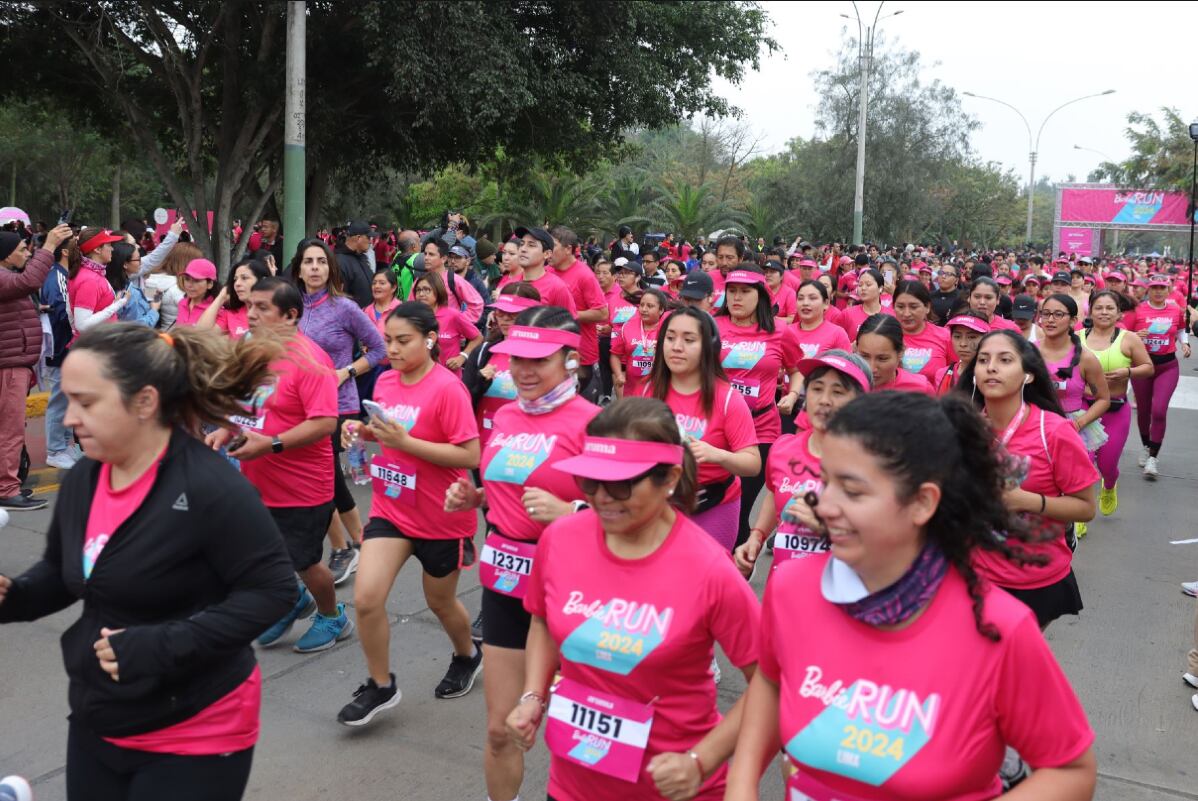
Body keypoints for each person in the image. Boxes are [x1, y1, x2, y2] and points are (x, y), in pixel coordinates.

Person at [725, 391, 1097, 801]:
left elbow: (1069, 771)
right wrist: (741, 786)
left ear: (922, 502)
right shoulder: (792, 587)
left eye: (852, 490)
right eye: (824, 480)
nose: (822, 505)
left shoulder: (998, 628)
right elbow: (772, 680)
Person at [0, 322, 298, 801]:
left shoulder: (210, 488)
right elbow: (63, 574)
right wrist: (12, 597)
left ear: (144, 402)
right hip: (100, 718)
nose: (69, 418)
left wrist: (162, 645)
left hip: (197, 730)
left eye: (87, 402)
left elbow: (274, 592)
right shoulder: (84, 480)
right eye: (68, 400)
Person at [504, 397, 761, 801]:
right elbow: (541, 619)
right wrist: (533, 695)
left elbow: (770, 680)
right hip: (574, 783)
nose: (602, 498)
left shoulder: (710, 568)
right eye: (590, 482)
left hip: (671, 788)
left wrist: (701, 760)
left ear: (670, 478)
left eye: (621, 484)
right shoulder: (560, 539)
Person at [443, 306, 599, 801]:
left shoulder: (596, 423)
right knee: (501, 729)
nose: (524, 372)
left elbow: (637, 516)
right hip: (507, 585)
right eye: (516, 359)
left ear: (570, 359)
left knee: (583, 741)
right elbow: (514, 483)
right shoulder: (506, 414)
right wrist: (478, 497)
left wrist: (571, 509)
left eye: (540, 360)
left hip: (575, 592)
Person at [335, 301, 483, 726]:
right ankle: (381, 684)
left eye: (403, 341)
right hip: (391, 509)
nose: (393, 350)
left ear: (430, 339)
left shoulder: (447, 388)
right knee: (365, 599)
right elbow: (389, 432)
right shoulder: (385, 383)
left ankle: (466, 654)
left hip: (442, 515)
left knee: (440, 602)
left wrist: (405, 442)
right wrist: (360, 431)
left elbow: (469, 453)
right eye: (387, 342)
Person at [205, 278, 354, 652]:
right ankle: (293, 601)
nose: (251, 314)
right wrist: (227, 431)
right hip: (258, 482)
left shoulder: (311, 360)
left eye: (262, 308)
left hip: (301, 488)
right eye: (250, 306)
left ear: (290, 315)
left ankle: (333, 616)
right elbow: (248, 406)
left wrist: (270, 444)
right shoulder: (254, 352)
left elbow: (324, 423)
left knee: (304, 562)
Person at [960, 331, 1098, 629]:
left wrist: (1026, 501)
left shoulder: (1055, 432)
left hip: (1032, 579)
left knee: (1009, 668)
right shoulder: (962, 428)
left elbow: (1086, 508)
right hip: (969, 571)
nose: (991, 367)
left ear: (1028, 376)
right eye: (983, 360)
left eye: (1005, 359)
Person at [289, 238, 387, 583]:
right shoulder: (291, 307)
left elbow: (378, 349)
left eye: (321, 261)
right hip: (297, 404)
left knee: (327, 478)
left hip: (336, 405)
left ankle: (359, 545)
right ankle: (346, 547)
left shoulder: (344, 307)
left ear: (330, 268)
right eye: (308, 262)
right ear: (298, 268)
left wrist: (344, 373)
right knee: (318, 479)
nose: (315, 267)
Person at [734, 350, 871, 579]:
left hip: (841, 594)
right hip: (782, 589)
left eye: (837, 392)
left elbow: (889, 542)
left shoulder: (874, 462)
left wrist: (830, 530)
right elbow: (774, 492)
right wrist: (756, 537)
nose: (824, 400)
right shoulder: (783, 448)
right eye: (817, 389)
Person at [644, 306, 760, 551]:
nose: (676, 346)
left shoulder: (728, 399)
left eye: (689, 340)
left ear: (708, 347)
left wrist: (715, 454)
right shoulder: (648, 391)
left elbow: (753, 464)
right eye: (670, 337)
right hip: (659, 503)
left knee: (705, 583)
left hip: (714, 505)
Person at [717, 265, 801, 547]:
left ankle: (738, 564)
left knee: (741, 503)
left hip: (761, 428)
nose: (736, 298)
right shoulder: (711, 327)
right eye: (731, 291)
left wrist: (791, 395)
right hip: (718, 428)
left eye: (744, 292)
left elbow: (797, 369)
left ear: (761, 295)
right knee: (719, 500)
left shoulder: (779, 330)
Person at [1, 224, 72, 509]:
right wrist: (49, 246)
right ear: (5, 256)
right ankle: (6, 489)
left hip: (14, 364)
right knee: (10, 429)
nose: (26, 253)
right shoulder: (5, 277)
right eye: (21, 250)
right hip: (9, 367)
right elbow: (30, 281)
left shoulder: (7, 276)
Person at [1082, 291, 1152, 516]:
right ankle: (1080, 515)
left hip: (1115, 408)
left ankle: (1109, 486)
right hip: (1084, 408)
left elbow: (1148, 367)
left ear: (1119, 312)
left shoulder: (1129, 338)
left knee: (1107, 464)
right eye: (1099, 307)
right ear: (1090, 311)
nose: (1103, 312)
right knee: (1084, 461)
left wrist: (1127, 372)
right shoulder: (1076, 337)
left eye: (1109, 308)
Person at [1035, 295, 1111, 492]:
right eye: (1046, 314)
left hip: (1072, 427)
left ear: (1072, 321)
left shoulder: (1086, 358)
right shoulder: (1028, 352)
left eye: (1058, 314)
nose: (1050, 319)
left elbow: (1103, 399)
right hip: (1036, 424)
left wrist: (1078, 424)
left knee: (1069, 484)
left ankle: (1073, 520)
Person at [1130, 275, 1190, 480]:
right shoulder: (1138, 310)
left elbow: (1182, 329)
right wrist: (1136, 337)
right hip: (1142, 366)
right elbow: (1124, 335)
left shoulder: (1175, 309)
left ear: (1169, 289)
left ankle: (1153, 458)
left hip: (1167, 366)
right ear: (1148, 289)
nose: (1158, 291)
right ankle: (1146, 446)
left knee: (1159, 410)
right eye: (1154, 287)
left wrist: (1185, 343)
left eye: (1162, 288)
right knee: (1144, 412)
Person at [464, 284, 544, 435]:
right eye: (500, 311)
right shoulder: (483, 352)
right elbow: (462, 404)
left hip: (525, 446)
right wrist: (479, 383)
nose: (505, 318)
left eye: (513, 313)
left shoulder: (546, 357)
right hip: (483, 444)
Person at [40, 232, 83, 470]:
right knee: (60, 400)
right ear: (65, 251)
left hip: (67, 347)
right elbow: (62, 312)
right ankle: (55, 450)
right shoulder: (56, 277)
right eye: (76, 245)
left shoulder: (65, 275)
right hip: (59, 348)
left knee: (67, 398)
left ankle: (64, 445)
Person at [550, 226, 608, 394]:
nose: (547, 250)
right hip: (552, 352)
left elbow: (602, 312)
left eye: (552, 245)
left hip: (581, 355)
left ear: (568, 249)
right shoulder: (546, 271)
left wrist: (567, 315)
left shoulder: (585, 275)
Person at [411, 271, 483, 374]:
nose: (421, 294)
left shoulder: (452, 315)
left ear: (437, 291)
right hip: (420, 377)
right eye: (418, 290)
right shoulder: (412, 317)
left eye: (427, 290)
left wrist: (463, 357)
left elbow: (477, 337)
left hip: (449, 377)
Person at [68, 228, 130, 341]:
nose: (112, 248)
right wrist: (117, 304)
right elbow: (82, 325)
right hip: (95, 347)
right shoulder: (89, 279)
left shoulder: (90, 273)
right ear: (97, 249)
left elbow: (70, 309)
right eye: (109, 245)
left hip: (97, 343)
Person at [610, 288, 669, 399]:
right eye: (642, 305)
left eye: (650, 306)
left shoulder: (668, 329)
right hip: (632, 391)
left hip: (658, 390)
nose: (644, 309)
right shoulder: (627, 327)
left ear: (661, 310)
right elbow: (615, 355)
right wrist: (618, 374)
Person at [502, 227, 577, 314]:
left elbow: (569, 323)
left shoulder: (557, 288)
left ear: (547, 254)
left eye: (531, 245)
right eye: (522, 244)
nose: (523, 249)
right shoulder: (509, 284)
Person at [891, 280, 954, 382]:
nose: (906, 314)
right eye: (900, 307)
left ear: (927, 307)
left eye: (913, 307)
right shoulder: (886, 336)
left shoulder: (945, 336)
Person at [855, 314, 934, 395]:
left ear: (901, 352)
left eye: (882, 358)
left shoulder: (920, 389)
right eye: (864, 356)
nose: (871, 368)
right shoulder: (847, 386)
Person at [195, 256, 272, 339]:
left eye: (244, 278)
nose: (237, 283)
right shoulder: (231, 313)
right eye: (235, 279)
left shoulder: (273, 311)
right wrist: (221, 297)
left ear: (262, 281)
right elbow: (201, 334)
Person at [421, 238, 486, 322]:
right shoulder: (419, 281)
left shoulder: (456, 280)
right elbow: (411, 307)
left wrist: (458, 323)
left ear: (443, 258)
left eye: (431, 254)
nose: (426, 258)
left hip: (451, 333)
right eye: (425, 254)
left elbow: (478, 305)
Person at [791, 280, 850, 361]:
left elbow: (846, 368)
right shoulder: (786, 332)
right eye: (800, 298)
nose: (805, 303)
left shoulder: (838, 334)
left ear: (826, 303)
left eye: (812, 298)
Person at [144, 241, 198, 329]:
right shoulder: (179, 288)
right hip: (178, 334)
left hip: (162, 332)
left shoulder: (152, 280)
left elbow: (147, 307)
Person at [106, 243, 160, 328]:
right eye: (138, 259)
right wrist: (154, 309)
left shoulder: (107, 284)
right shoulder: (129, 294)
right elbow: (137, 329)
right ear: (125, 264)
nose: (141, 262)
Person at [933, 312, 988, 395]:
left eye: (972, 337)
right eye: (957, 337)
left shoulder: (992, 375)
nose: (963, 344)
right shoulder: (942, 374)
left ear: (986, 338)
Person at [837, 268, 893, 340]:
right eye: (860, 285)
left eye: (868, 284)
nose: (863, 288)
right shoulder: (847, 314)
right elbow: (837, 343)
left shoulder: (891, 315)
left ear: (880, 288)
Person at [336, 222, 377, 307]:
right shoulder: (339, 262)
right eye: (368, 237)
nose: (370, 241)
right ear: (358, 238)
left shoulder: (361, 257)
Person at [174, 259, 221, 327]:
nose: (189, 285)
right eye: (187, 279)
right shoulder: (182, 303)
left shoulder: (217, 310)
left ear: (210, 284)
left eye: (196, 280)